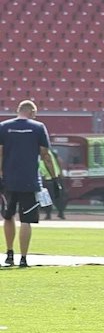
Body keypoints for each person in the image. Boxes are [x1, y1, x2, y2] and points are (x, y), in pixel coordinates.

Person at [1, 100, 56, 268]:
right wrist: (54, 178)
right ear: (32, 112)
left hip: (8, 181)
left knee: (8, 216)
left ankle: (9, 253)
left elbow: (0, 153)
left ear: (18, 110)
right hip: (30, 181)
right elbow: (45, 155)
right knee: (26, 219)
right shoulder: (38, 127)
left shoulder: (3, 126)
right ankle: (23, 258)